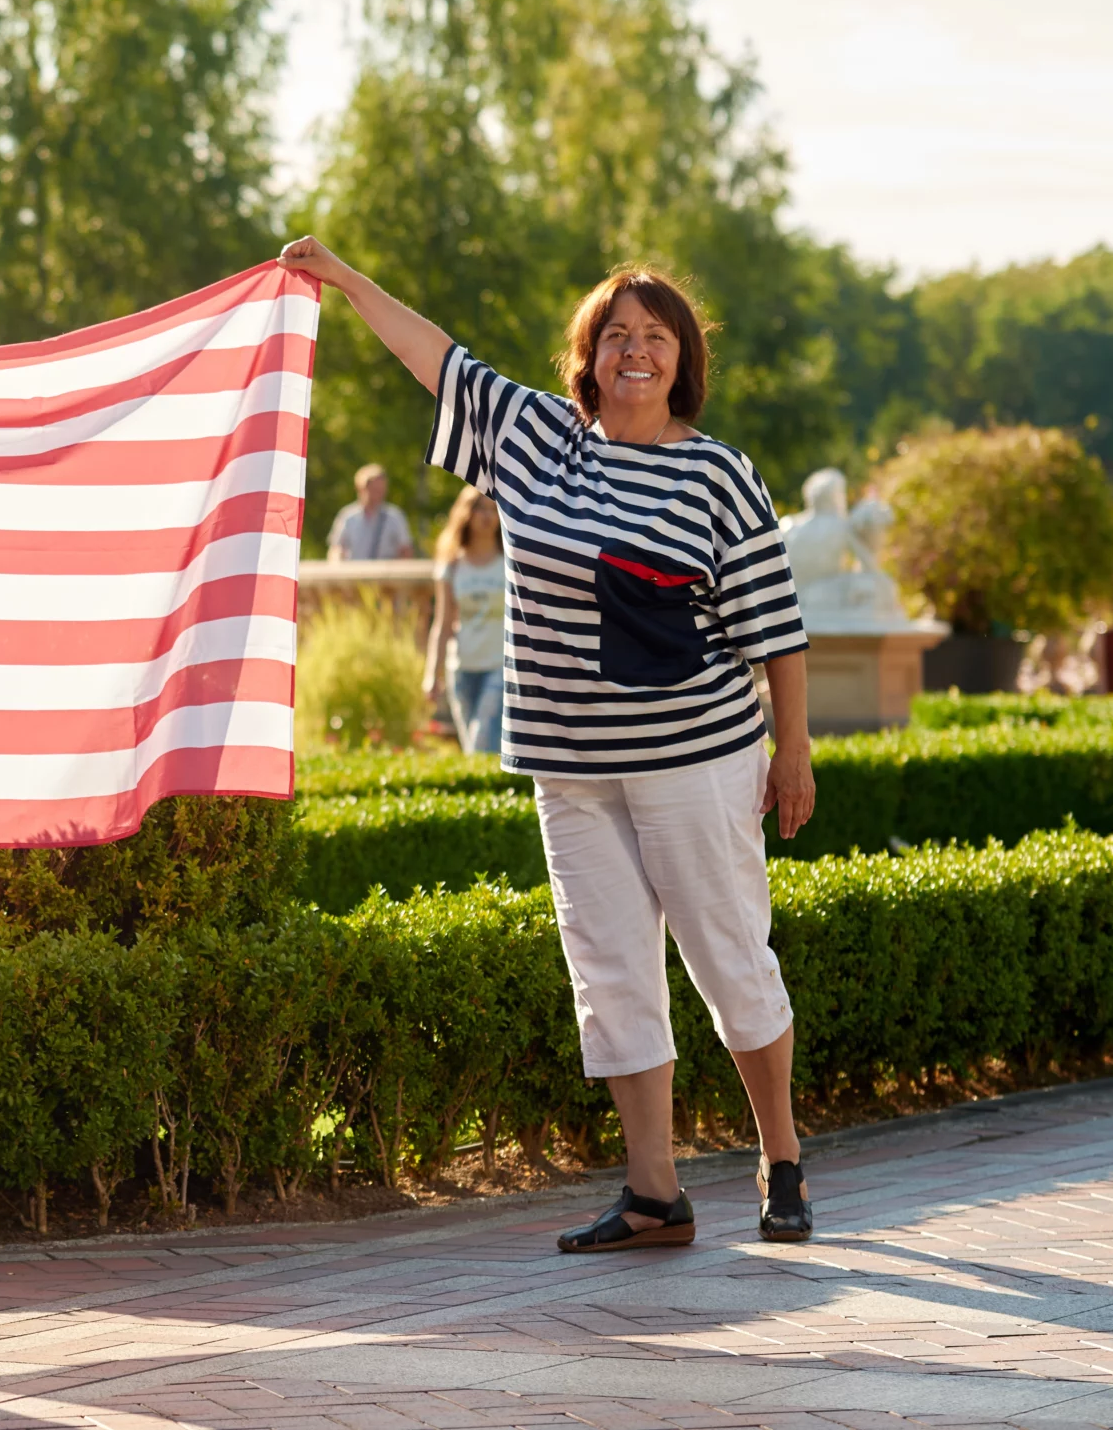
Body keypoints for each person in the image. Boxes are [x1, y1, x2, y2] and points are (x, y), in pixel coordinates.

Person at [278, 238, 818, 1251]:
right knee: (608, 970)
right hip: (568, 768)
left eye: (655, 336)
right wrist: (347, 279)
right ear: (587, 353)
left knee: (730, 959)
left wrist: (793, 750)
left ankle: (779, 1154)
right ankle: (653, 1192)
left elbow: (774, 628)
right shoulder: (534, 439)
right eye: (615, 334)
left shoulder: (717, 474)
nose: (634, 351)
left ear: (683, 359)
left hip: (696, 759)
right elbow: (439, 358)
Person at [425, 488, 505, 756]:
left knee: (483, 739)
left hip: (499, 667)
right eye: (480, 508)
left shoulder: (509, 562)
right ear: (466, 514)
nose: (487, 516)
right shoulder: (452, 566)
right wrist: (431, 674)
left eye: (492, 509)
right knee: (473, 748)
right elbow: (443, 624)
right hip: (461, 668)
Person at [327, 462, 417, 561]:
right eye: (373, 489)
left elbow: (406, 551)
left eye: (381, 489)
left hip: (387, 574)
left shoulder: (395, 516)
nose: (378, 494)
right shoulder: (347, 516)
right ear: (360, 488)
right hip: (355, 574)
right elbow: (336, 549)